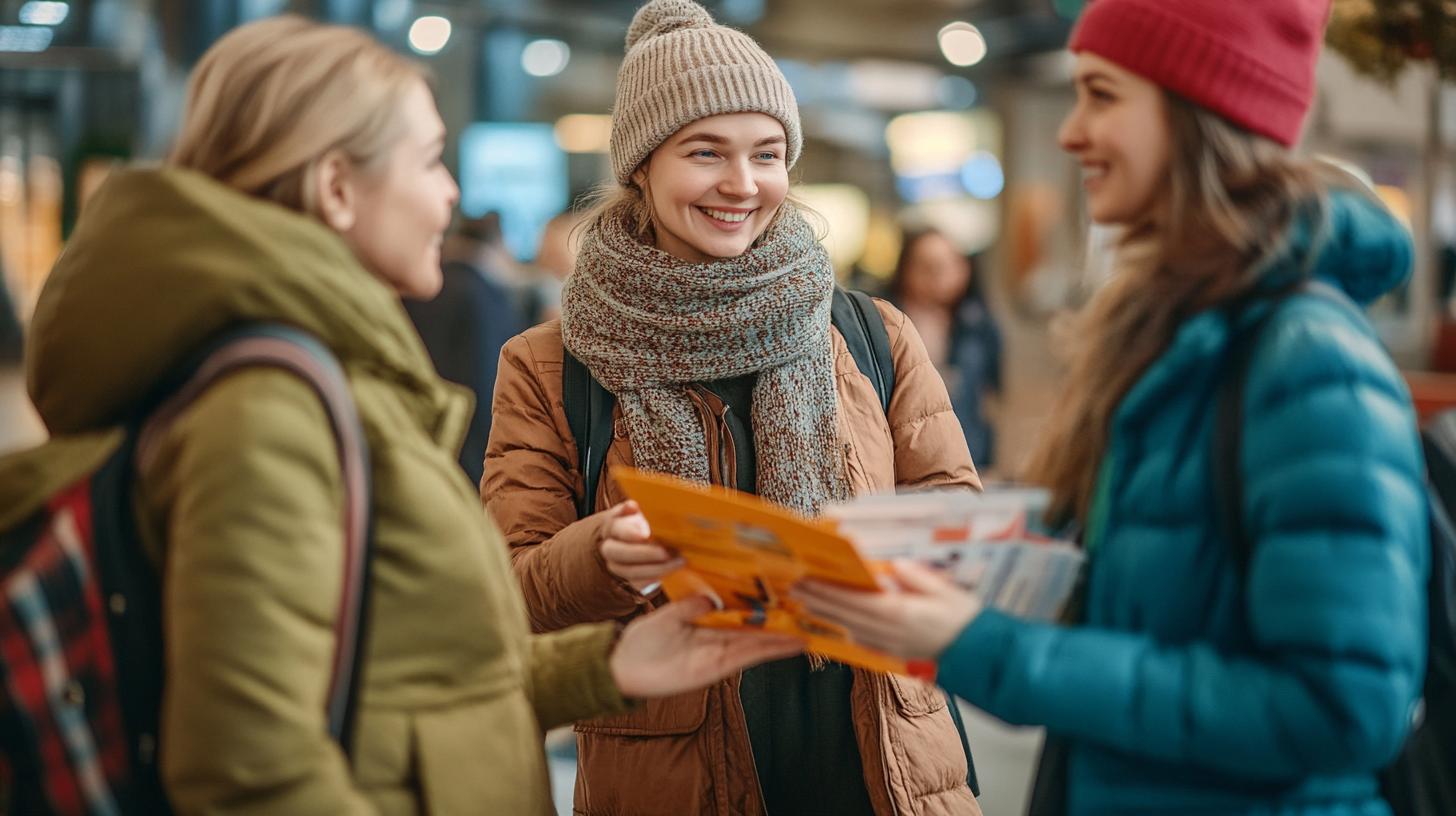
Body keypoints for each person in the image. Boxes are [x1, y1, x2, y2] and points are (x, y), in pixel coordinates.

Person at [18, 16, 802, 815]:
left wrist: (609, 666)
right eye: (430, 161)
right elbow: (251, 772)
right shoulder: (267, 414)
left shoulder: (321, 377)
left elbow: (398, 674)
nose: (452, 193)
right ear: (335, 188)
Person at [796, 1, 1430, 814]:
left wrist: (982, 647)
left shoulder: (1307, 359)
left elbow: (1344, 709)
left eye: (1101, 94)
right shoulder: (1180, 337)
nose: (1070, 132)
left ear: (1199, 109)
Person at [481, 2, 984, 814]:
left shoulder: (867, 331)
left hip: (881, 764)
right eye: (705, 152)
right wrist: (600, 555)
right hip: (673, 775)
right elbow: (508, 592)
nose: (742, 185)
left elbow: (953, 511)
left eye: (768, 154)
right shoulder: (550, 364)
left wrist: (864, 549)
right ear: (641, 165)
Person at [404, 211, 526, 485]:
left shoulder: (424, 286)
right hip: (471, 451)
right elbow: (490, 380)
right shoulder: (485, 295)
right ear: (499, 243)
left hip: (422, 439)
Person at [891, 231, 1002, 469]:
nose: (939, 275)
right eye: (928, 266)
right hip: (904, 462)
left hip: (969, 456)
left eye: (949, 263)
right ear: (906, 270)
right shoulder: (888, 325)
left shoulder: (979, 325)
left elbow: (993, 396)